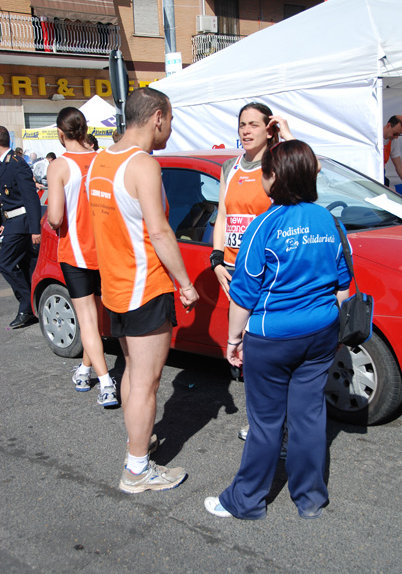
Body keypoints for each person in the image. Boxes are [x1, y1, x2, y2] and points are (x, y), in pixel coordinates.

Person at [204, 140, 352, 520]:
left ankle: (246, 500)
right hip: (321, 333)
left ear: (274, 177)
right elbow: (343, 287)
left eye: (265, 173)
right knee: (309, 417)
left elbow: (244, 296)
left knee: (266, 423)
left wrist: (233, 341)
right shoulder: (330, 221)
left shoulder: (264, 225)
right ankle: (311, 499)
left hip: (272, 337)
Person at [87, 87, 199, 493]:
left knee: (134, 374)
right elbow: (159, 230)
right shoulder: (143, 165)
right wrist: (185, 282)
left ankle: (138, 445)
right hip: (145, 285)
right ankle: (137, 469)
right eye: (170, 119)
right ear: (156, 117)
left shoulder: (102, 160)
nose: (170, 127)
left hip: (116, 287)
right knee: (147, 382)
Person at [209, 102, 294, 442]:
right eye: (242, 124)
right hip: (234, 267)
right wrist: (216, 259)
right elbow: (223, 214)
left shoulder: (277, 163)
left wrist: (287, 134)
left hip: (268, 268)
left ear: (268, 129)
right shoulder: (229, 166)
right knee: (245, 349)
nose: (245, 130)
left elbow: (312, 170)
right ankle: (263, 421)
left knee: (269, 347)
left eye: (253, 125)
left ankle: (281, 424)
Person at [46, 108, 118, 408]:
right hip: (106, 247)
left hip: (76, 250)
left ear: (60, 134)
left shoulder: (59, 166)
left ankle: (106, 383)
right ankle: (85, 369)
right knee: (97, 316)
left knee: (87, 318)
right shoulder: (102, 159)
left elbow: (55, 217)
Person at [0, 126, 41, 328]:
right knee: (27, 265)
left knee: (5, 263)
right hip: (12, 222)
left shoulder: (16, 164)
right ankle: (33, 305)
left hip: (22, 223)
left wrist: (35, 229)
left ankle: (26, 304)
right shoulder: (4, 164)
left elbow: (31, 197)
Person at [383, 115, 402, 184]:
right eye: (395, 133)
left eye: (399, 135)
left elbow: (399, 167)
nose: (396, 137)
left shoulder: (394, 141)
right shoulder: (373, 137)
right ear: (388, 125)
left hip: (382, 175)